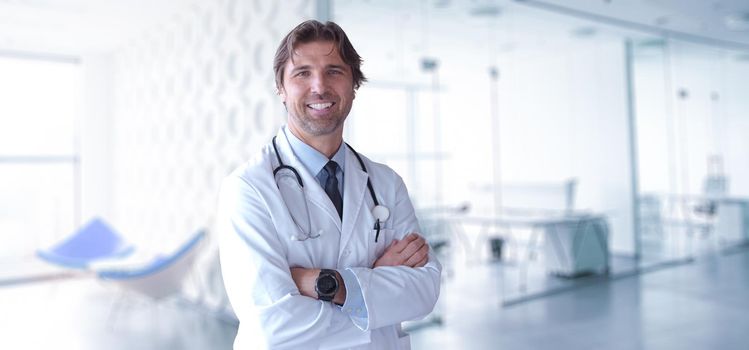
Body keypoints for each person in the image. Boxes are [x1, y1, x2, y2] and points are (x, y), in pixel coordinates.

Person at [217, 20, 441, 350]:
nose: (319, 86)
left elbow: (423, 292)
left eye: (334, 70)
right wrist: (373, 292)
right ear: (281, 87)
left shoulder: (386, 183)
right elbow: (272, 327)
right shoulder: (248, 188)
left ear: (353, 84)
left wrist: (329, 284)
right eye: (302, 73)